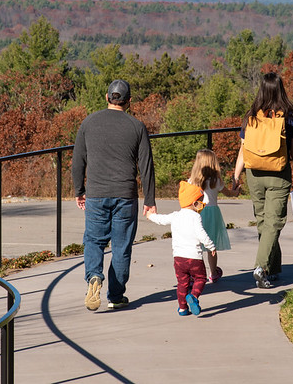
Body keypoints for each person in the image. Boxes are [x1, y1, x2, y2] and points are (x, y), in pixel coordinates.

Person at [72, 79, 156, 311]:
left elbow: (78, 161)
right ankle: (116, 296)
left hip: (96, 194)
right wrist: (150, 200)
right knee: (121, 246)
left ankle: (93, 276)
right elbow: (146, 165)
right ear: (129, 101)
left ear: (107, 97)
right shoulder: (137, 126)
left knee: (94, 240)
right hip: (125, 194)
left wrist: (79, 190)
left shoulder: (88, 122)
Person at [233, 72, 293, 289]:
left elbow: (243, 149)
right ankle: (261, 267)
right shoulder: (289, 115)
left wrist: (236, 176)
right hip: (278, 173)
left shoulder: (251, 115)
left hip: (254, 174)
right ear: (280, 89)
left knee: (265, 222)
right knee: (273, 222)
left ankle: (271, 269)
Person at [146, 181, 216, 316]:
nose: (202, 206)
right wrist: (211, 246)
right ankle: (194, 296)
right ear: (194, 203)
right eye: (201, 203)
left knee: (182, 283)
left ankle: (183, 308)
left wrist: (151, 216)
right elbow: (201, 234)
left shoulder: (175, 216)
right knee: (200, 278)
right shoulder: (195, 217)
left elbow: (161, 219)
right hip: (194, 257)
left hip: (178, 258)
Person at [188, 148, 238, 283]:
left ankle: (195, 273)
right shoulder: (216, 181)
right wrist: (236, 190)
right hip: (213, 214)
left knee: (196, 245)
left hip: (198, 213)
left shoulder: (191, 181)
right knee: (211, 246)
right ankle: (213, 272)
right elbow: (229, 194)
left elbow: (188, 199)